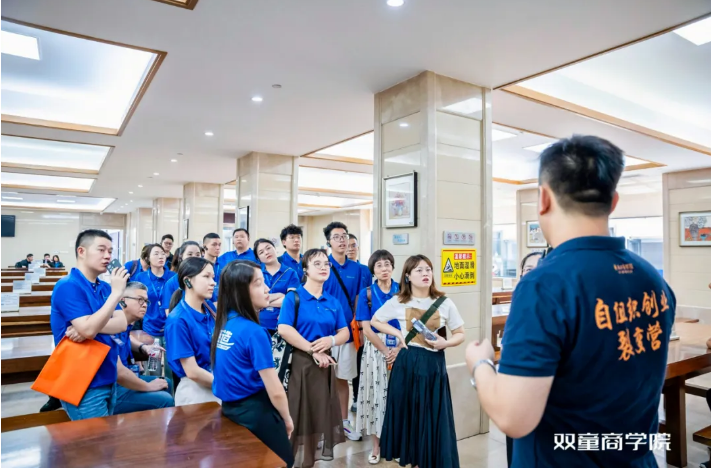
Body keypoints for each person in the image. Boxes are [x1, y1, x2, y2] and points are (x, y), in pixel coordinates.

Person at [465, 135, 676, 468]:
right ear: (614, 201)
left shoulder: (544, 285)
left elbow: (513, 417)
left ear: (543, 198)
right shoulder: (652, 278)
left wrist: (480, 364)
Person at [372, 254, 465, 468]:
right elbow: (375, 320)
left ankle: (428, 461)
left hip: (433, 364)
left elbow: (460, 333)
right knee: (409, 415)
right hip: (407, 363)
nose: (425, 274)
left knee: (430, 415)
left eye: (428, 269)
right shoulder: (398, 301)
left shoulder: (444, 302)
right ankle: (414, 460)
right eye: (419, 270)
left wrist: (446, 343)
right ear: (407, 275)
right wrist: (397, 334)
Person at [212, 261, 295, 468]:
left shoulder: (227, 323)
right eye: (258, 283)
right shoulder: (254, 332)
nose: (267, 289)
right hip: (255, 413)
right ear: (241, 291)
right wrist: (286, 419)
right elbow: (275, 389)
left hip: (231, 409)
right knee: (284, 461)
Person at [277, 248, 350, 468]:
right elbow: (284, 329)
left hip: (325, 366)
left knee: (317, 417)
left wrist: (331, 340)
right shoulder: (294, 297)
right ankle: (287, 462)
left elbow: (344, 332)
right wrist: (312, 350)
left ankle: (308, 462)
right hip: (300, 364)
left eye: (326, 264)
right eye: (317, 264)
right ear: (305, 269)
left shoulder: (332, 301)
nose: (323, 267)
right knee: (296, 416)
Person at [49, 229, 129, 420]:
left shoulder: (105, 287)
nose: (108, 256)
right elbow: (89, 329)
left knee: (106, 437)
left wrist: (88, 327)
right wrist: (116, 294)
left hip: (108, 375)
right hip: (83, 381)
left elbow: (122, 323)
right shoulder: (68, 285)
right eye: (101, 250)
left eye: (110, 251)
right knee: (96, 439)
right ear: (81, 251)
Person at [354, 250, 401, 465]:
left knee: (399, 396)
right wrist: (384, 351)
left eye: (387, 264)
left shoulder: (403, 290)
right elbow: (366, 328)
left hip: (401, 346)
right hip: (375, 348)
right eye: (379, 265)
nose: (384, 269)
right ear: (373, 269)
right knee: (376, 398)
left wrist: (397, 349)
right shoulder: (367, 294)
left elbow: (410, 322)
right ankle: (376, 446)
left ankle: (397, 444)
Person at [322, 221, 366, 439]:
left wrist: (360, 327)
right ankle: (321, 425)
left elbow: (359, 300)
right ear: (328, 242)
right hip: (322, 333)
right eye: (336, 237)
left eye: (344, 236)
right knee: (320, 380)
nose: (342, 240)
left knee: (343, 378)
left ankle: (344, 422)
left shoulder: (358, 269)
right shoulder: (322, 265)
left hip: (347, 333)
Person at [165, 257, 220, 405]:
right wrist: (229, 386)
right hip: (196, 391)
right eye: (206, 277)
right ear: (188, 281)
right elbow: (192, 371)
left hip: (217, 380)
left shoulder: (209, 308)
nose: (213, 282)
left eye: (213, 277)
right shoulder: (178, 320)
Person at [113, 281, 175, 414]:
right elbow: (119, 373)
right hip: (114, 387)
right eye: (140, 300)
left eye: (146, 301)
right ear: (122, 301)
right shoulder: (112, 325)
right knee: (165, 399)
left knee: (167, 382)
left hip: (125, 379)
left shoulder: (126, 324)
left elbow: (127, 338)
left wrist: (143, 347)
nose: (145, 305)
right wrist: (147, 386)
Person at [348, 233, 373, 411]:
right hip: (344, 322)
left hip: (361, 323)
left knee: (360, 360)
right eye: (347, 245)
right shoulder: (333, 269)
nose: (350, 248)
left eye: (353, 245)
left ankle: (358, 397)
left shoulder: (365, 270)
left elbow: (368, 296)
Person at [254, 238, 300, 334]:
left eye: (268, 248)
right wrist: (279, 295)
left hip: (283, 324)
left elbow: (290, 300)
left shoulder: (290, 273)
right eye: (261, 252)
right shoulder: (256, 274)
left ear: (275, 249)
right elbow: (252, 300)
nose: (266, 252)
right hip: (258, 324)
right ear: (258, 258)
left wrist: (262, 303)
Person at [135, 244, 176, 339]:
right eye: (156, 254)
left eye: (163, 253)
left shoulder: (174, 277)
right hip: (149, 328)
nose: (161, 256)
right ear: (147, 258)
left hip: (170, 328)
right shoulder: (141, 277)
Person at [161, 241, 202, 316]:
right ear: (181, 256)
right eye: (190, 254)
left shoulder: (205, 280)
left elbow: (214, 306)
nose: (194, 257)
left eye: (198, 254)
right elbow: (169, 313)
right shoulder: (171, 283)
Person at [203, 232, 223, 301]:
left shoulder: (223, 264)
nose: (218, 248)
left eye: (219, 245)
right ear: (205, 246)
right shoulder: (198, 266)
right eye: (214, 245)